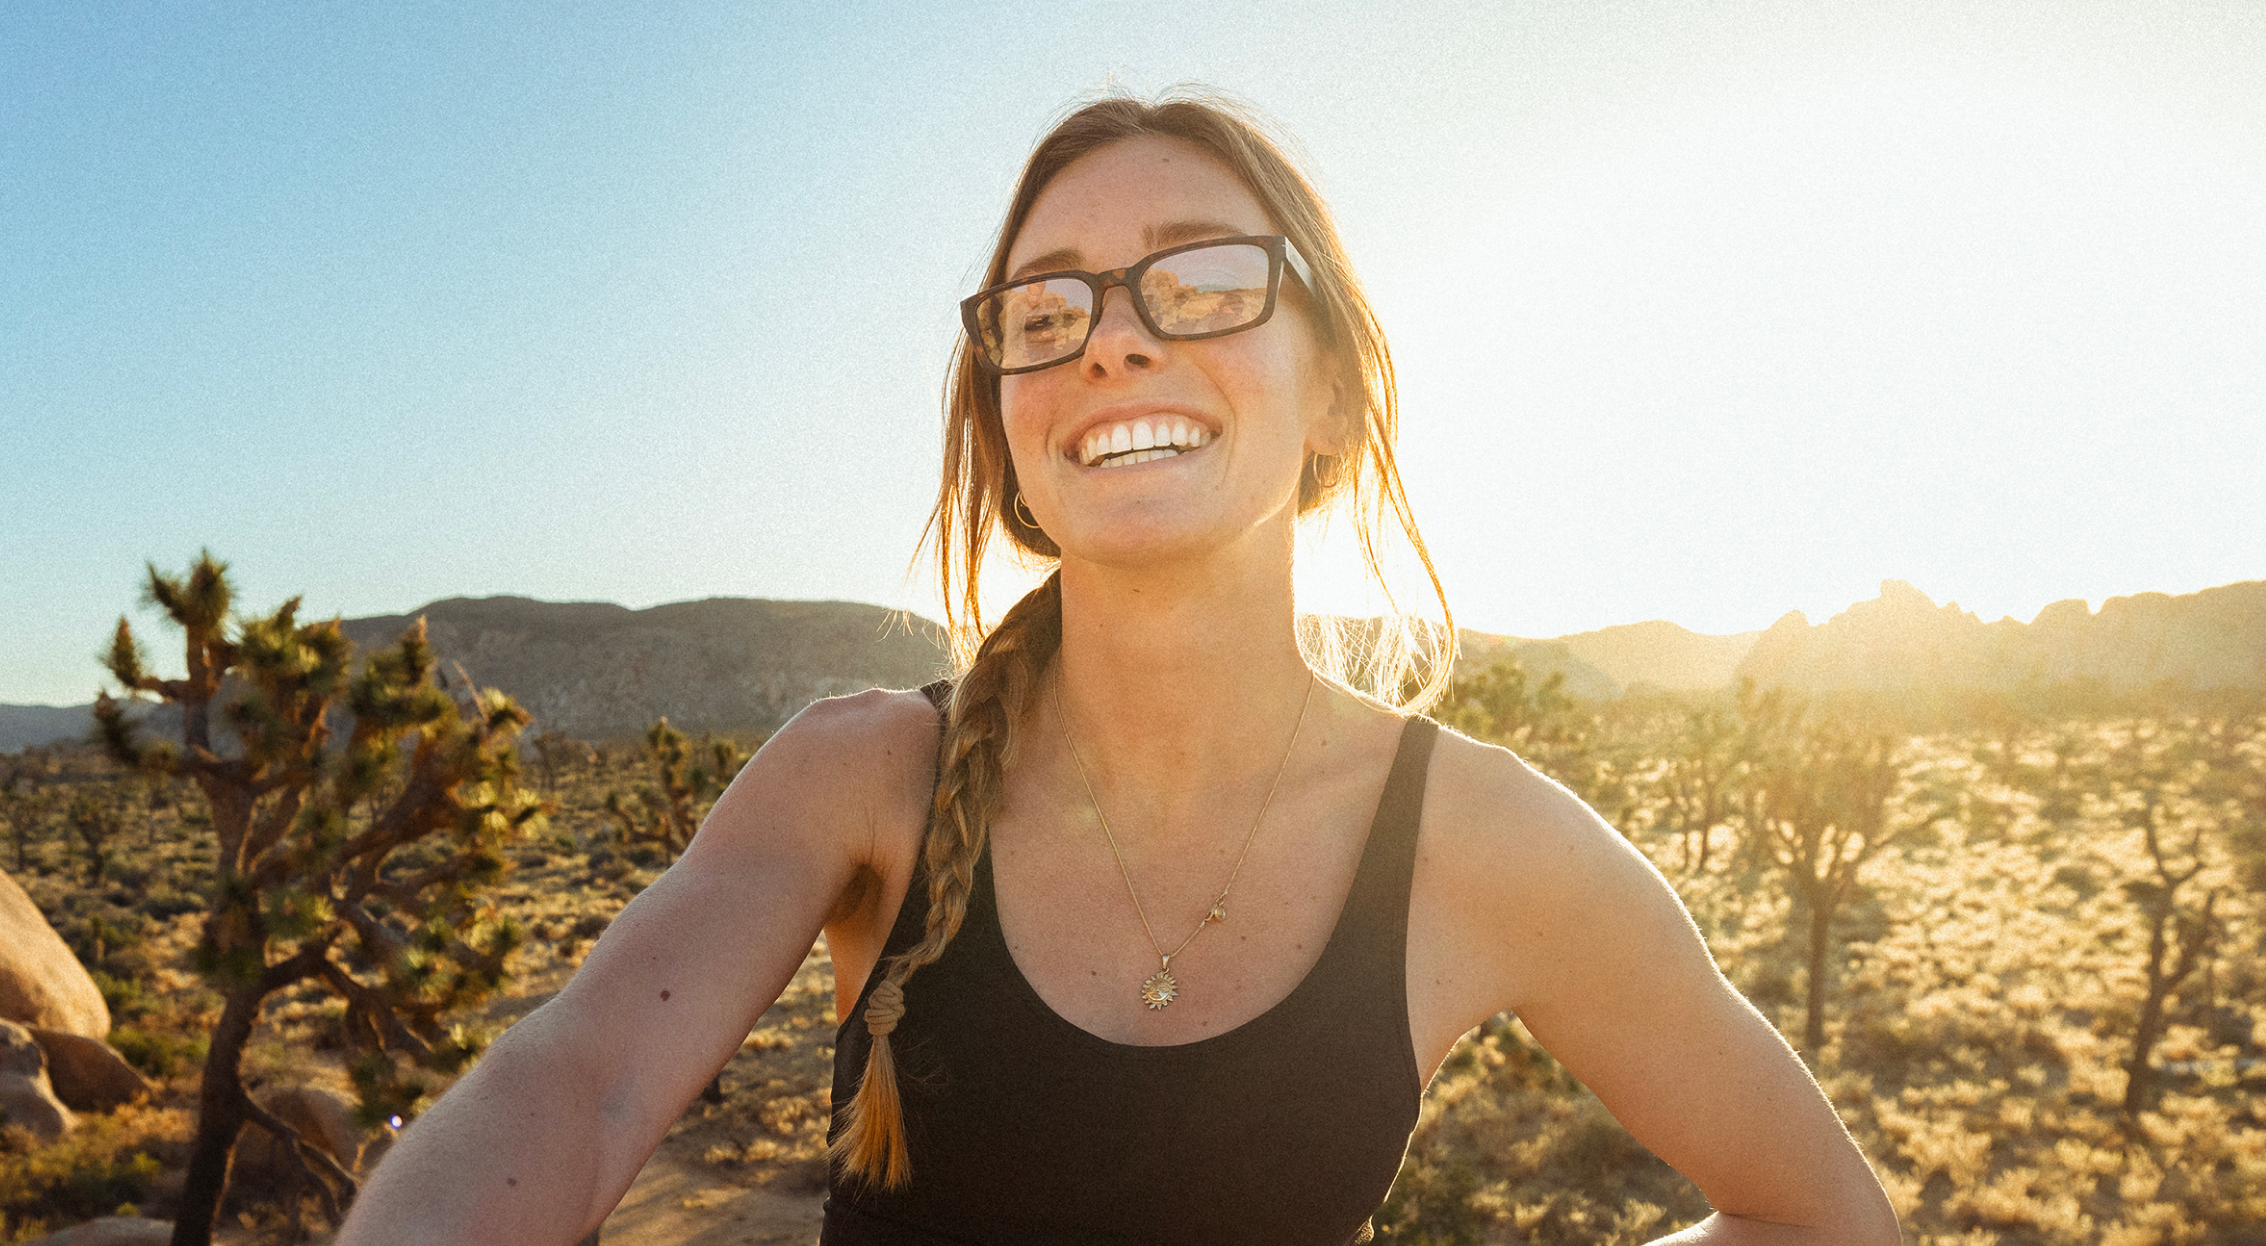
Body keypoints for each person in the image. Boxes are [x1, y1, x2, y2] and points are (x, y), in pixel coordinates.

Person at [337, 91, 1901, 1246]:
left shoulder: (1481, 842)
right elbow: (583, 1083)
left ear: (1336, 394)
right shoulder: (865, 777)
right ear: (1016, 432)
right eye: (1047, 304)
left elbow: (1822, 1218)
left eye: (1201, 278)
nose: (1111, 339)